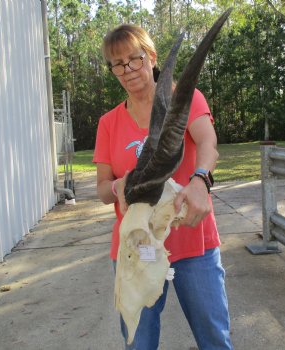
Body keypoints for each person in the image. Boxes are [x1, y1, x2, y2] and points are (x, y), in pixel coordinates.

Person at [93, 23, 234, 350]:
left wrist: (201, 180)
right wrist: (117, 188)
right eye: (118, 63)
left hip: (192, 243)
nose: (127, 70)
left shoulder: (184, 99)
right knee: (138, 344)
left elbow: (208, 143)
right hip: (136, 246)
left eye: (135, 59)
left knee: (214, 339)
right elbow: (102, 188)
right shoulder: (108, 123)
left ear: (152, 57)